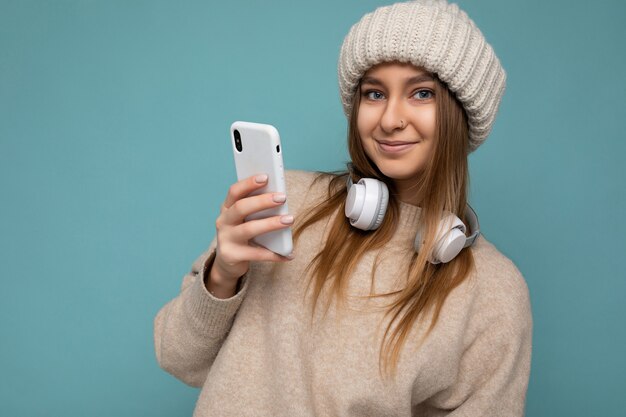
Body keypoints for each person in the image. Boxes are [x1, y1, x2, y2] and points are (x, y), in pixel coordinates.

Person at [153, 0, 532, 415]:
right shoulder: (286, 202)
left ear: (460, 113)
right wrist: (222, 275)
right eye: (374, 93)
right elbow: (177, 357)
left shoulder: (493, 292)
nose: (390, 119)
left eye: (421, 93)